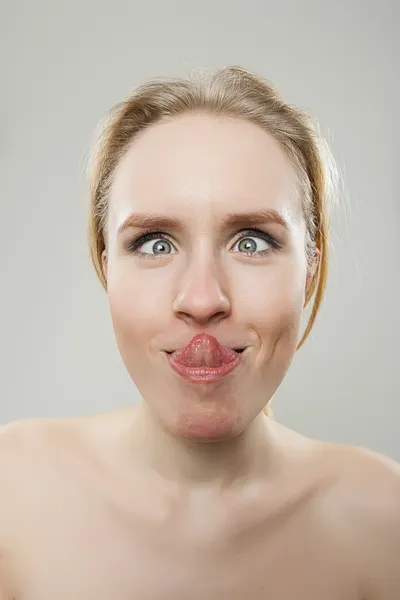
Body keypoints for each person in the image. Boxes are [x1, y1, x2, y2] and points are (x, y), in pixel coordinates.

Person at [0, 65, 399, 599]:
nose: (203, 299)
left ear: (309, 271)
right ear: (105, 267)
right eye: (155, 243)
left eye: (252, 241)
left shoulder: (383, 518)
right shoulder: (12, 490)